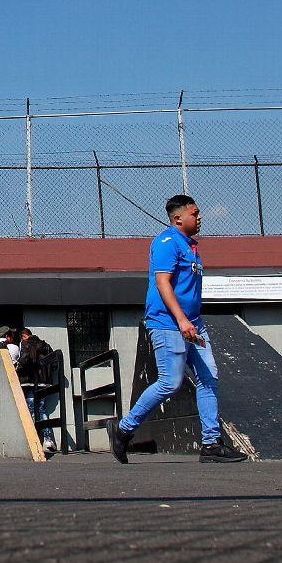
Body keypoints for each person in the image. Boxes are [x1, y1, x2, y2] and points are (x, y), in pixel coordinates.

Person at [108, 195, 246, 463]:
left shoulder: (191, 246)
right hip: (168, 323)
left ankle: (210, 444)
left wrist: (190, 321)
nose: (200, 217)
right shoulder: (166, 243)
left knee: (209, 377)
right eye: (195, 213)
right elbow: (163, 283)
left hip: (194, 324)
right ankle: (124, 429)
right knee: (170, 383)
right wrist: (182, 320)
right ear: (178, 218)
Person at [17, 327, 57, 453]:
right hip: (44, 383)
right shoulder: (45, 345)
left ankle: (34, 438)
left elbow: (24, 361)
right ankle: (48, 439)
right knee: (42, 408)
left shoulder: (25, 344)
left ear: (24, 336)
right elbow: (55, 364)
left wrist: (18, 370)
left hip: (30, 382)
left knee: (31, 408)